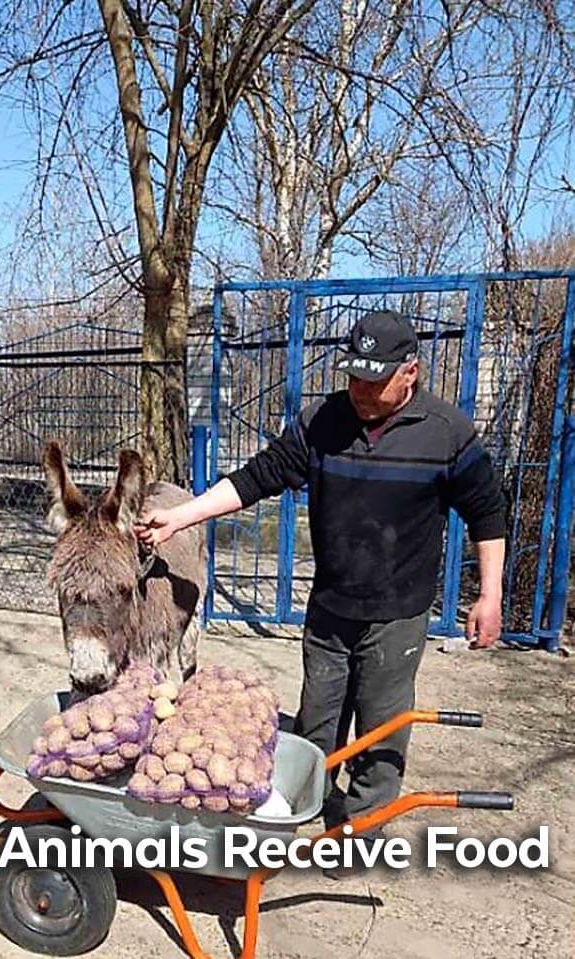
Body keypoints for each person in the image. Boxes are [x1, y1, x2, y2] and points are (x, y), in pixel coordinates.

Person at [135, 309, 506, 836]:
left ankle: (360, 830)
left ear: (410, 371)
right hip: (331, 606)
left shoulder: (447, 434)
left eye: (373, 379)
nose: (360, 388)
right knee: (316, 722)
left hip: (398, 613)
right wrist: (180, 516)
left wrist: (489, 594)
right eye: (353, 375)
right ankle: (305, 809)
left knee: (381, 731)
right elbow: (256, 477)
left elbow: (488, 513)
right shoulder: (322, 421)